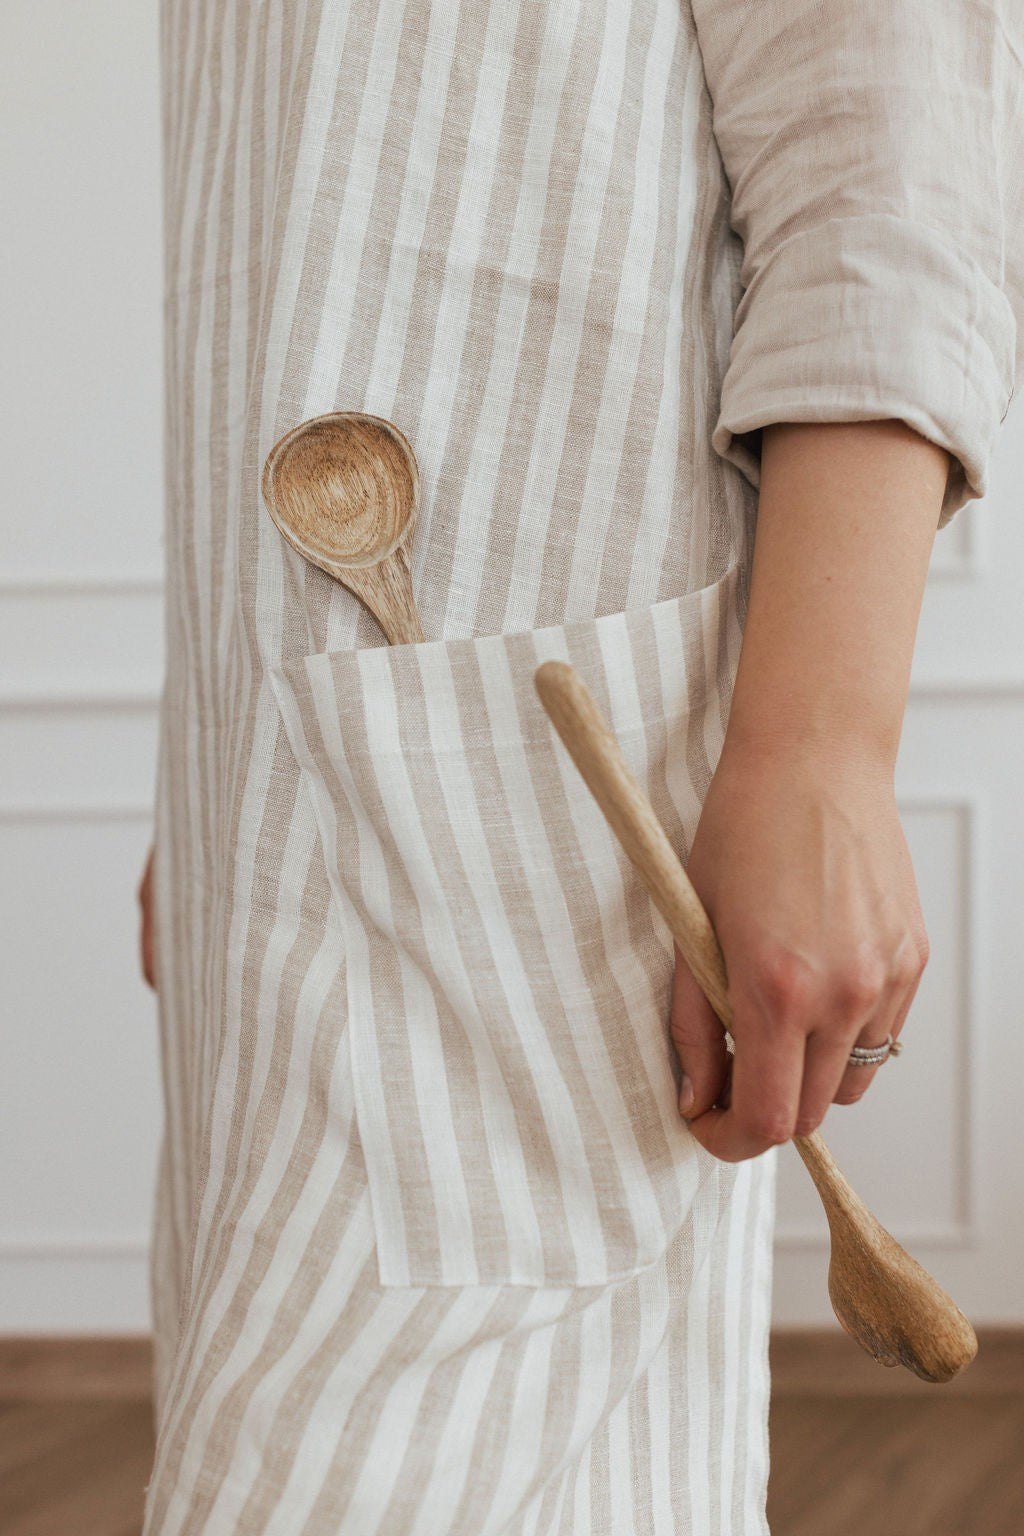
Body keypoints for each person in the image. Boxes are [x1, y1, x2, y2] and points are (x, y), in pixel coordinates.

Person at [137, 0, 1024, 1530]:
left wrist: (821, 748)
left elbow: (884, 172)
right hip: (297, 774)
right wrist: (230, 784)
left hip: (536, 800)